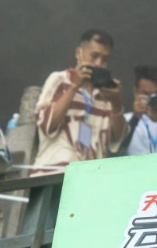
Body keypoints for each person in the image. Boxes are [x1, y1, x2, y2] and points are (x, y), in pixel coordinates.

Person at [30, 29, 127, 175]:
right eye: (94, 56)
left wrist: (116, 103)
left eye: (105, 59)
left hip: (89, 180)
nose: (99, 63)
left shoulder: (106, 94)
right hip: (52, 175)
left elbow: (117, 139)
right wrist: (74, 86)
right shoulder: (60, 79)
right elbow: (46, 125)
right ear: (78, 53)